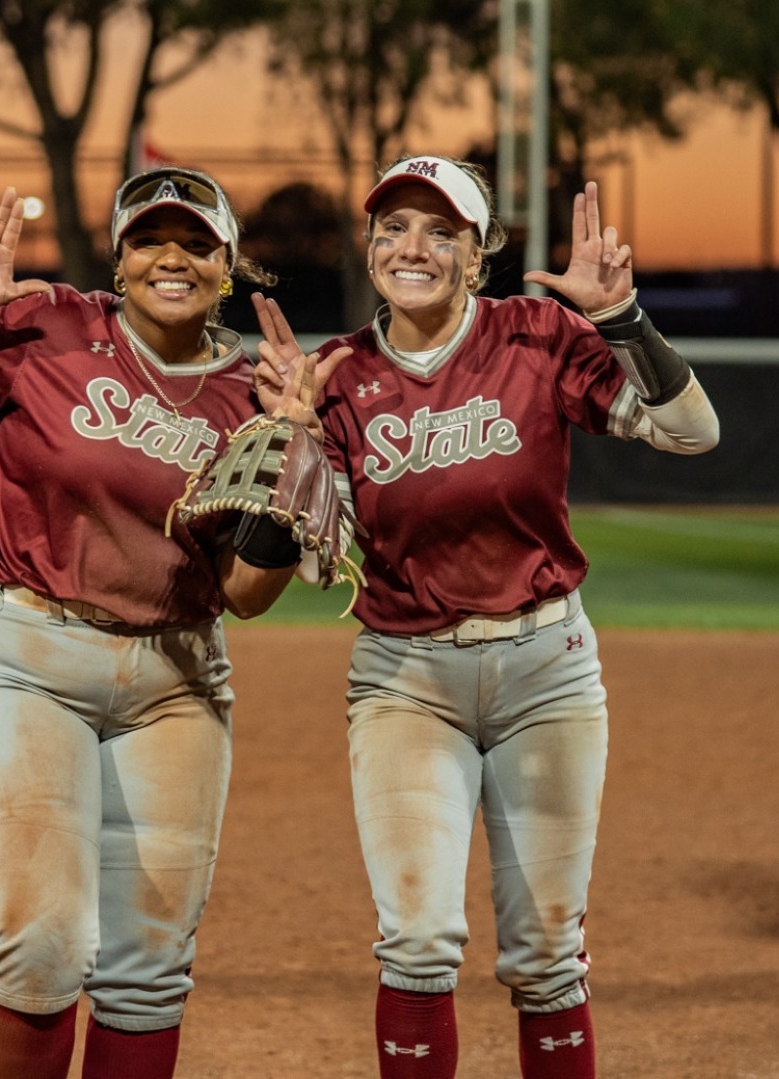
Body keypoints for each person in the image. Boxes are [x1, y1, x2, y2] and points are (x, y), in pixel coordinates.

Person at [0, 173, 318, 1078]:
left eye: (196, 243)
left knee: (149, 969)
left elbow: (247, 593)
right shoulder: (52, 327)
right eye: (150, 239)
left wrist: (296, 448)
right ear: (118, 258)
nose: (172, 259)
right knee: (40, 944)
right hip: (32, 653)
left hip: (178, 678)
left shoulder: (255, 387)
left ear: (226, 266)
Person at [286, 155, 719, 1079]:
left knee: (547, 954)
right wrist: (289, 444)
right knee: (417, 940)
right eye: (395, 227)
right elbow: (308, 553)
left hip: (544, 671)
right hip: (406, 680)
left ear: (478, 256)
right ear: (368, 249)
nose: (415, 247)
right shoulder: (332, 376)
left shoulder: (539, 337)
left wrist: (620, 319)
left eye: (444, 231)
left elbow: (692, 431)